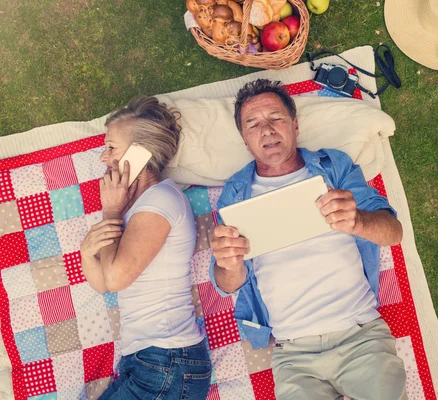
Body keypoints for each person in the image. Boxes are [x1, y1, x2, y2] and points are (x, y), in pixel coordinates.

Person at [210, 79, 407, 400]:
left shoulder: (334, 166)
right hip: (293, 355)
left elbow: (393, 232)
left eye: (275, 118)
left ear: (295, 125)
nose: (267, 130)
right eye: (253, 124)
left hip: (360, 336)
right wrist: (227, 262)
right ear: (245, 141)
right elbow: (227, 284)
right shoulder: (233, 194)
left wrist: (357, 220)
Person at [81, 96, 211, 400]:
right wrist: (88, 252)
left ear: (141, 152)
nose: (103, 157)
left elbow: (114, 279)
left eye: (111, 147)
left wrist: (110, 214)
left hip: (166, 360)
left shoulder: (161, 200)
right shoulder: (135, 207)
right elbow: (102, 284)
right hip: (149, 361)